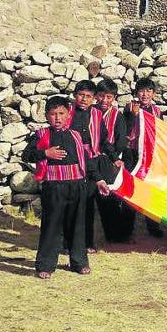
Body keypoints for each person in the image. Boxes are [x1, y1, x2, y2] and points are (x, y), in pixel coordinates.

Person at [22, 96, 110, 279]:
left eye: (61, 113)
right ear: (46, 116)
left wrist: (99, 180)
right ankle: (45, 265)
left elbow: (87, 161)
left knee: (77, 226)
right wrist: (45, 153)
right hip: (54, 187)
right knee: (51, 226)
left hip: (77, 186)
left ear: (68, 114)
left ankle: (79, 262)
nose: (57, 118)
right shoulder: (41, 135)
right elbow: (27, 155)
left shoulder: (76, 136)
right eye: (53, 114)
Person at [67, 80, 108, 253]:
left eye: (88, 96)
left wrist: (114, 158)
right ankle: (67, 243)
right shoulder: (67, 113)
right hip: (71, 162)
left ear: (94, 98)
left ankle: (87, 242)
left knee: (88, 204)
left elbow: (103, 139)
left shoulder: (97, 114)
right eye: (81, 95)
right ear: (75, 95)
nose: (84, 99)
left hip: (91, 163)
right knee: (70, 203)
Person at [123, 77, 164, 238]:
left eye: (149, 91)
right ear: (136, 93)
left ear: (153, 94)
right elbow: (124, 130)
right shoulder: (129, 108)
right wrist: (132, 115)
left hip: (150, 154)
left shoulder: (157, 111)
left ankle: (153, 227)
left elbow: (160, 132)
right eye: (141, 91)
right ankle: (127, 229)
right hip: (132, 153)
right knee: (130, 188)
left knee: (151, 189)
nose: (145, 94)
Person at [94, 79, 129, 243]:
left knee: (109, 196)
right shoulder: (91, 112)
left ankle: (116, 234)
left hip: (109, 160)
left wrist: (113, 156)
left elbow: (121, 140)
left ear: (114, 98)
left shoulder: (117, 116)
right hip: (91, 159)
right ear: (96, 96)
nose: (104, 100)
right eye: (101, 96)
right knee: (96, 197)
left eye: (109, 97)